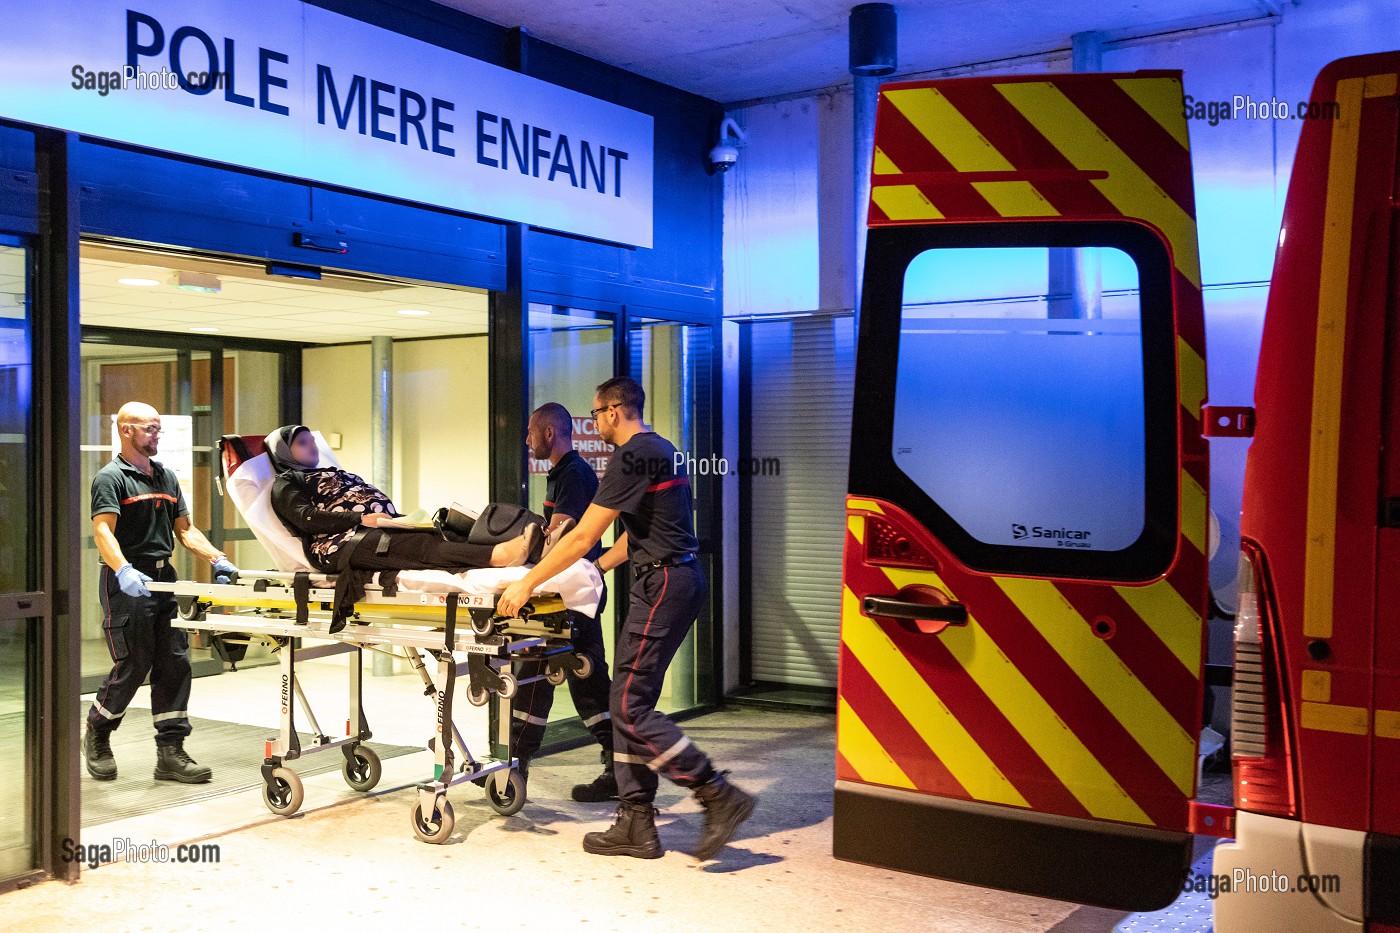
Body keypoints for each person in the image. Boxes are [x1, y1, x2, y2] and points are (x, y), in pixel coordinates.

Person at [499, 377, 756, 861]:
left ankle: (717, 793)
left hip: (664, 585)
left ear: (614, 411)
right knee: (625, 700)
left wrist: (527, 583)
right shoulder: (661, 449)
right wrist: (597, 568)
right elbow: (638, 534)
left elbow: (580, 535)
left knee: (630, 706)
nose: (593, 424)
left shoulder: (631, 456)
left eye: (595, 414)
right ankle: (636, 820)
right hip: (668, 579)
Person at [85, 402, 239, 784]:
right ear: (126, 430)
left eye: (158, 430)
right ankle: (98, 733)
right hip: (127, 581)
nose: (156, 436)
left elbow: (185, 531)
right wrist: (122, 569)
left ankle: (170, 753)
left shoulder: (166, 477)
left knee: (174, 662)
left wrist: (217, 558)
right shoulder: (111, 478)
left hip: (163, 580)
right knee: (134, 663)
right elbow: (103, 530)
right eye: (149, 429)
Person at [507, 403, 617, 802]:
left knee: (540, 679)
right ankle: (615, 767)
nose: (527, 440)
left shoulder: (573, 474)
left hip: (569, 598)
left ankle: (514, 766)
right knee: (582, 681)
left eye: (532, 433)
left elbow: (560, 536)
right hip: (570, 593)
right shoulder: (564, 473)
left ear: (549, 434)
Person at [266, 424, 543, 574]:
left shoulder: (329, 472)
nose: (312, 445)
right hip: (339, 545)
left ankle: (529, 545)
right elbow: (307, 519)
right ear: (284, 452)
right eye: (301, 443)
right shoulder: (287, 482)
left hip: (372, 529)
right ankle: (499, 556)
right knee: (420, 545)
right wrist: (360, 518)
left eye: (311, 440)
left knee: (444, 528)